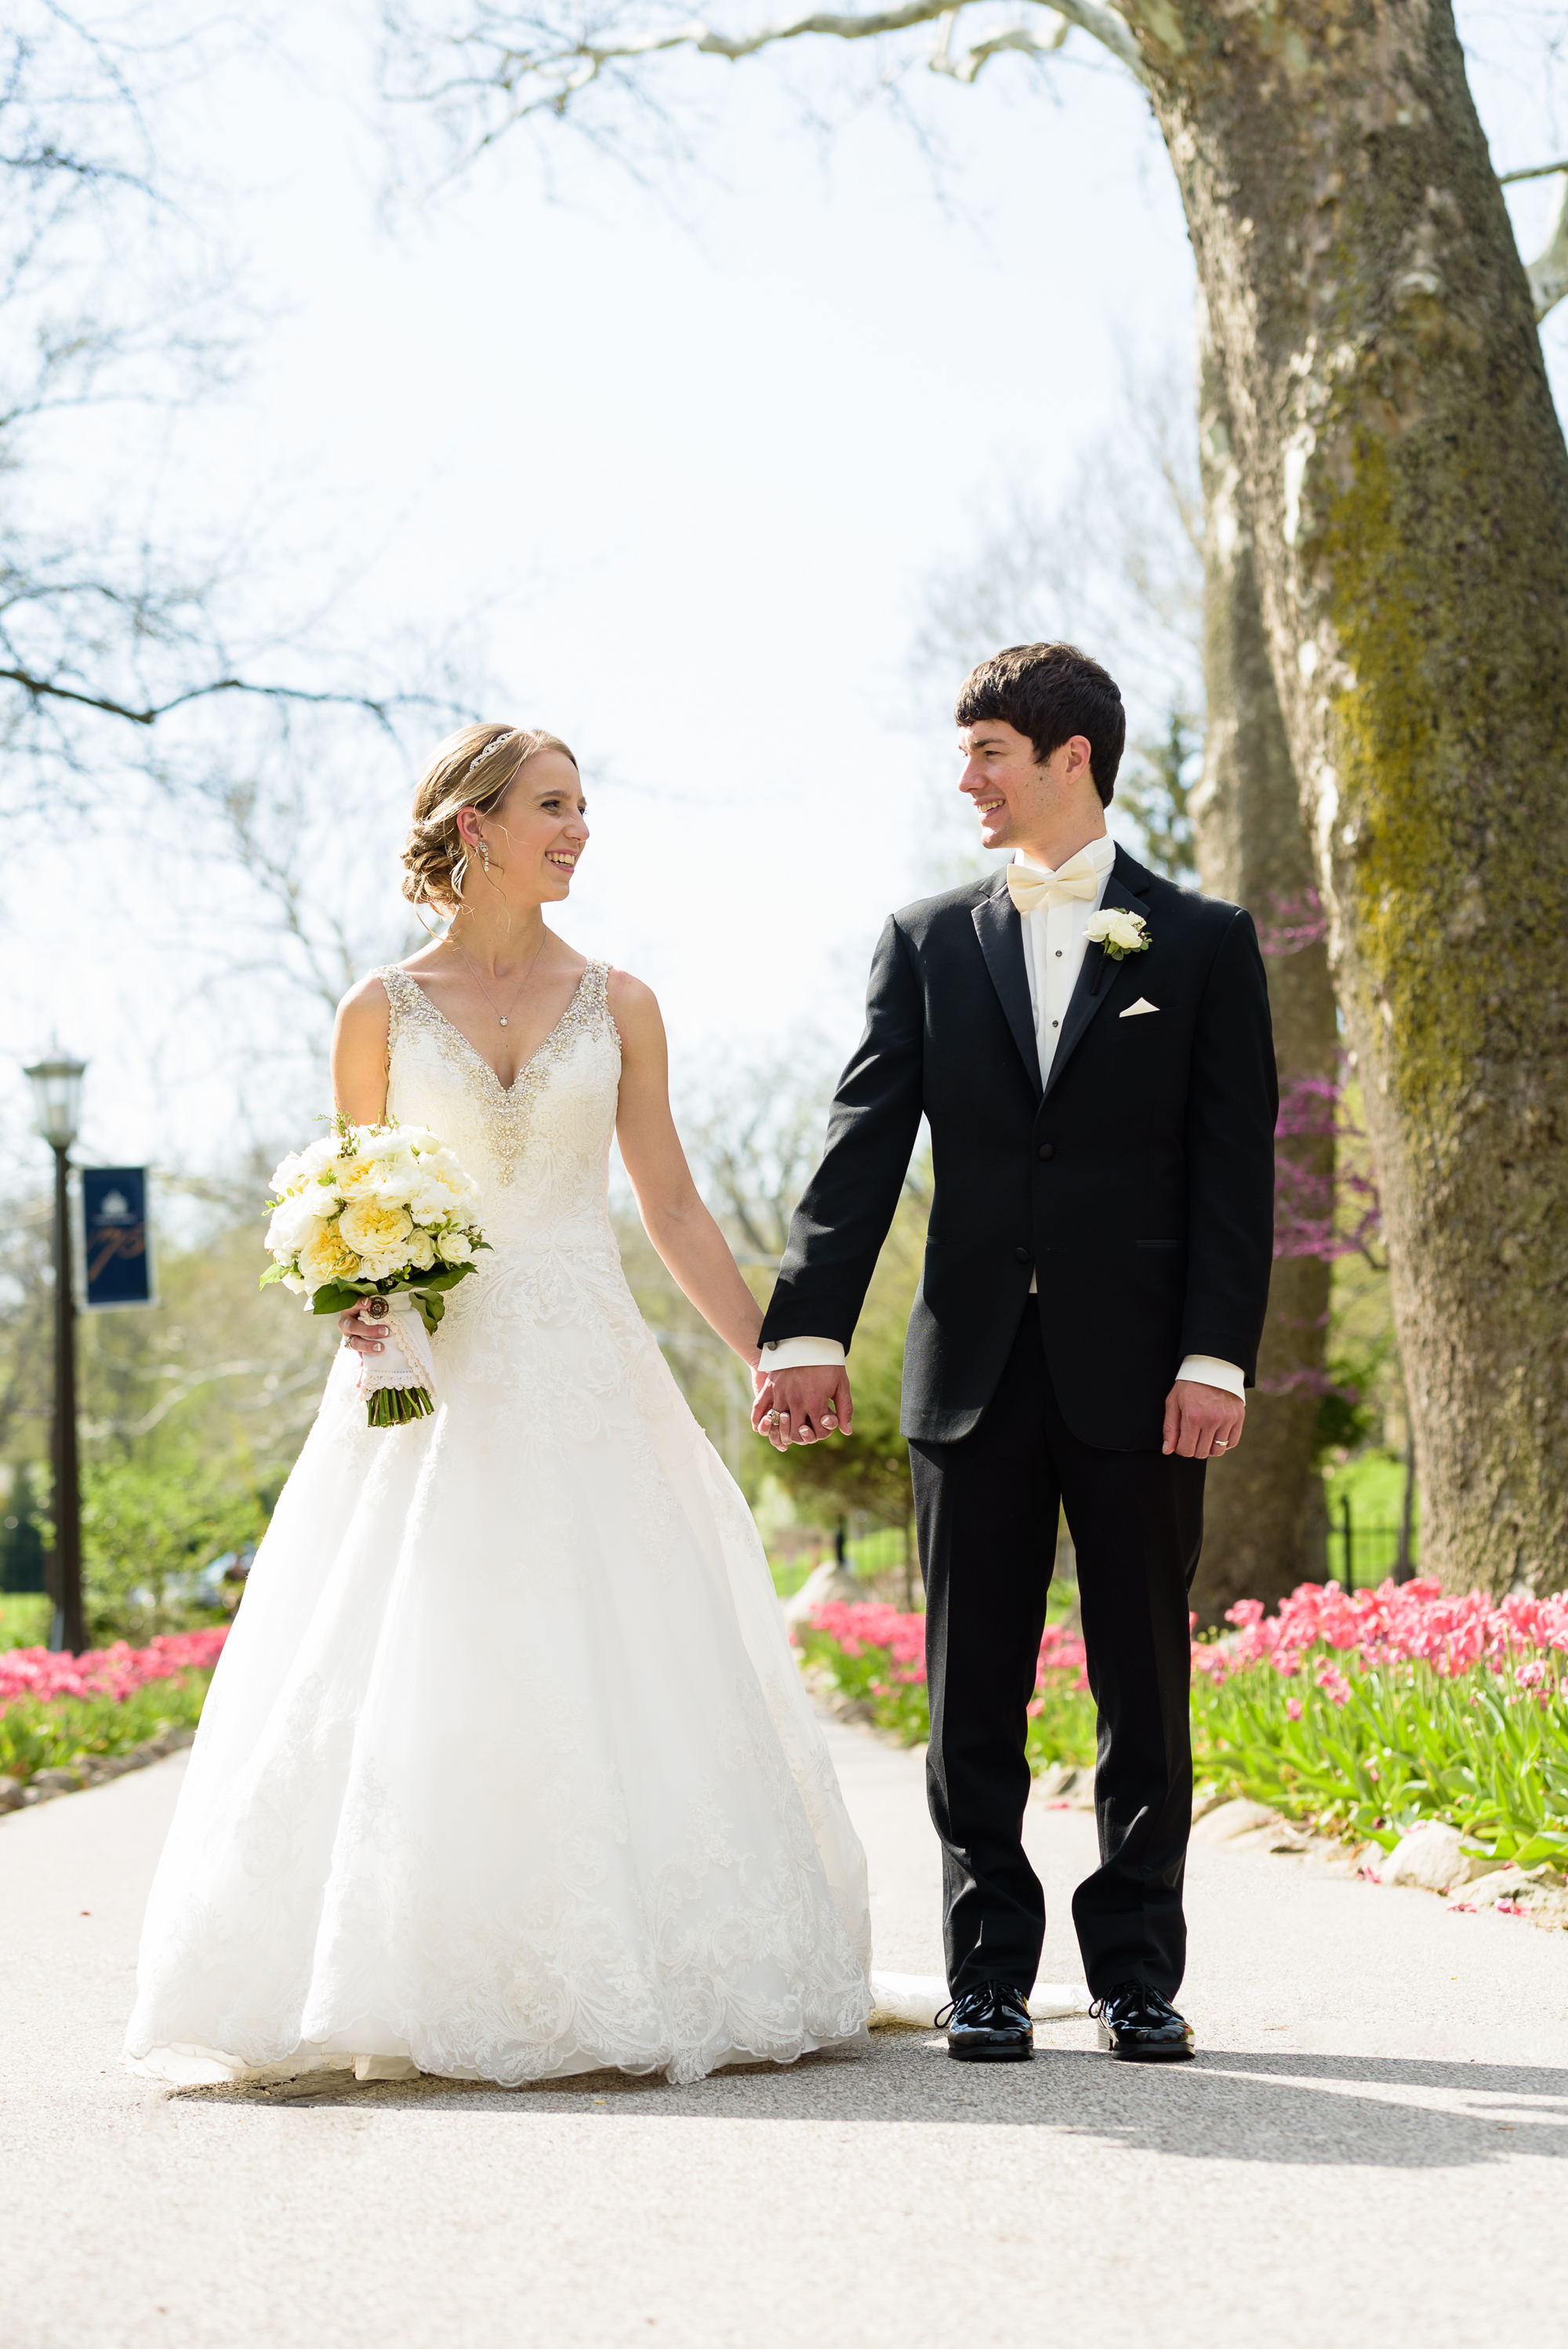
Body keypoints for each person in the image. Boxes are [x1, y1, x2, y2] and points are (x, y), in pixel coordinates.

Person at [125, 723, 872, 2089]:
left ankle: (654, 1959)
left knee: (616, 1641)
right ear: (475, 825)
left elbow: (673, 1205)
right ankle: (404, 1969)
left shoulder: (624, 1002)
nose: (578, 832)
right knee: (426, 1646)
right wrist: (353, 1289)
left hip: (590, 1359)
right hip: (435, 1377)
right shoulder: (378, 1010)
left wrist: (771, 1351)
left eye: (585, 809)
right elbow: (351, 1212)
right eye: (552, 807)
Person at [752, 644, 1276, 2065]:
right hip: (968, 1373)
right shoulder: (925, 942)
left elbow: (1236, 1179)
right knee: (968, 1684)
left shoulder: (1205, 943)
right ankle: (985, 1969)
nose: (964, 777)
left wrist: (1214, 1360)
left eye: (986, 750)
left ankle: (1137, 1974)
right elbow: (861, 1152)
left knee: (1141, 1685)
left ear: (1070, 758)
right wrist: (805, 1325)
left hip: (1141, 1378)